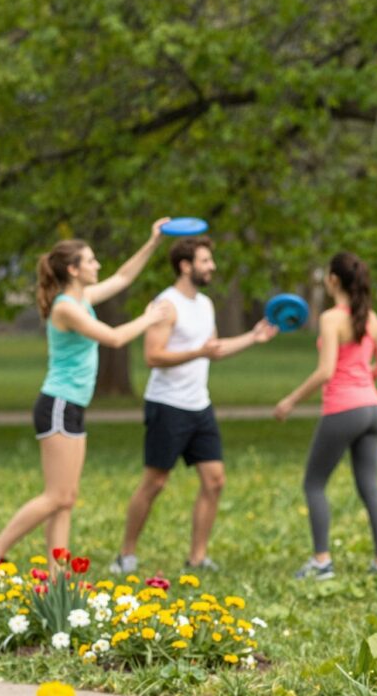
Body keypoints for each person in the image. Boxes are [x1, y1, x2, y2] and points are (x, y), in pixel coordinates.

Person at [0, 220, 173, 565]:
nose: (98, 266)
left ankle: (57, 578)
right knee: (57, 496)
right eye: (91, 260)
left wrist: (153, 241)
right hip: (58, 404)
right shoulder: (66, 307)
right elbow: (112, 338)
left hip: (72, 405)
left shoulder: (82, 298)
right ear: (74, 269)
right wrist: (150, 318)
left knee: (66, 497)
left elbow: (124, 277)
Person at [110, 235, 277, 575]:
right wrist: (197, 352)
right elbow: (153, 356)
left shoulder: (204, 304)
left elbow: (212, 349)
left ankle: (197, 558)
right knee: (155, 482)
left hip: (199, 405)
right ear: (185, 266)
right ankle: (125, 555)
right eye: (204, 261)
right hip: (167, 405)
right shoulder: (166, 305)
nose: (211, 267)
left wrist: (252, 337)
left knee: (215, 480)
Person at [273, 252, 377, 580]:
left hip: (344, 409)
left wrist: (290, 400)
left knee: (314, 483)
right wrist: (362, 381)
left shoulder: (331, 319)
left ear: (333, 280)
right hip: (373, 409)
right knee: (370, 486)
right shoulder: (370, 317)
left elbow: (325, 371)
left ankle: (322, 561)